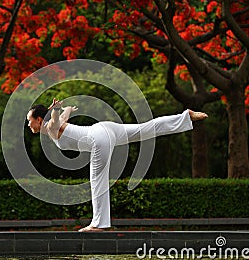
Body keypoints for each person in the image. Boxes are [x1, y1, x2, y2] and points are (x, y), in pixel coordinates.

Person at [26, 98, 208, 232]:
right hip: (106, 129)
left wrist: (56, 110)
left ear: (39, 120)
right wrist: (67, 109)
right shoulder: (52, 126)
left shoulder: (50, 126)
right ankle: (186, 117)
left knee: (97, 180)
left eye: (29, 120)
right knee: (144, 129)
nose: (28, 124)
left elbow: (56, 120)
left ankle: (99, 224)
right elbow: (62, 118)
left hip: (99, 138)